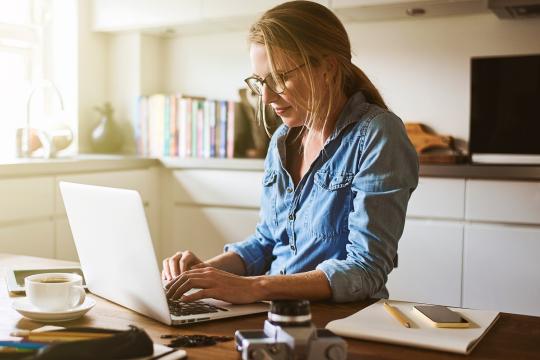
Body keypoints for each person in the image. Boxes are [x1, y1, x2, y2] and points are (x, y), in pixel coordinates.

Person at [162, 0, 418, 304]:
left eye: (280, 78)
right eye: (260, 82)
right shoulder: (283, 140)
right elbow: (267, 242)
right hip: (273, 313)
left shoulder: (377, 134)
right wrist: (202, 273)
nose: (267, 96)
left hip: (341, 319)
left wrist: (255, 287)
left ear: (327, 68)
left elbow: (366, 268)